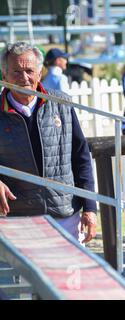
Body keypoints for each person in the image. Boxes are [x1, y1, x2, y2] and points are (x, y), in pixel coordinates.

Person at [0, 42, 97, 244]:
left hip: (64, 212)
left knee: (68, 274)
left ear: (39, 72)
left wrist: (90, 206)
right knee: (25, 276)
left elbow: (81, 157)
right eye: (16, 72)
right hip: (18, 216)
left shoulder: (62, 104)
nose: (24, 78)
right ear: (4, 75)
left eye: (29, 71)